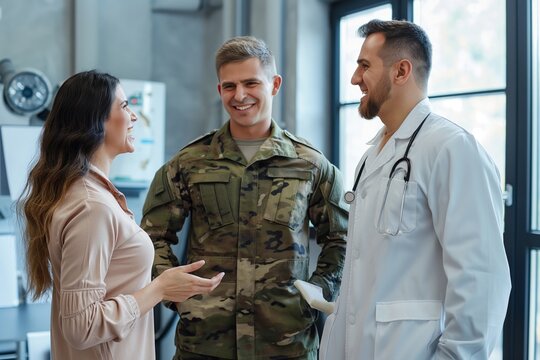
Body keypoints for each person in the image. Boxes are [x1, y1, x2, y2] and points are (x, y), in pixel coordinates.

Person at [141, 36, 348, 360]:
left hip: (286, 344)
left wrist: (320, 290)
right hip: (205, 345)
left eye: (251, 83)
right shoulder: (188, 163)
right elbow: (150, 238)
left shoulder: (310, 164)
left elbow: (342, 236)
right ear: (219, 89)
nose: (239, 96)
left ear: (274, 84)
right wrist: (174, 294)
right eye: (229, 86)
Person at [320, 19, 512, 360]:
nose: (354, 79)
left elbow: (481, 278)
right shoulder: (371, 154)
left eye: (364, 66)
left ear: (401, 71)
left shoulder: (452, 148)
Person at [18, 70, 224, 359]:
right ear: (96, 121)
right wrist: (160, 288)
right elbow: (82, 325)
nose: (134, 117)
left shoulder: (90, 196)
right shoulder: (93, 208)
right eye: (125, 106)